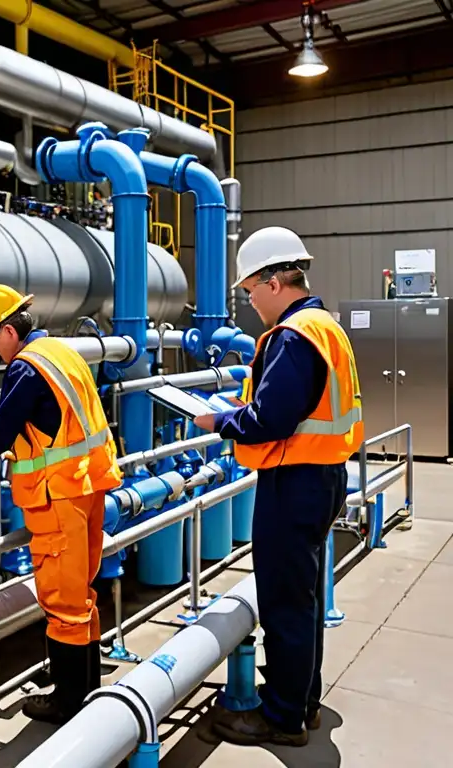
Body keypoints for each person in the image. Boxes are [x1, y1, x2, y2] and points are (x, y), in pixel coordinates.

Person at [193, 226, 363, 747]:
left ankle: (283, 716)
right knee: (304, 597)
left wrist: (221, 422)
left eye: (248, 291)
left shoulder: (293, 336)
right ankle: (302, 701)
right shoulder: (324, 325)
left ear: (272, 281)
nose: (248, 303)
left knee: (286, 602)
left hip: (294, 482)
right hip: (325, 475)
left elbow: (273, 418)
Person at [0, 284, 123, 725]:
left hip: (56, 496)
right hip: (87, 488)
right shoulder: (62, 352)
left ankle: (69, 702)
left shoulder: (26, 368)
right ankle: (86, 686)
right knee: (81, 592)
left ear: (7, 330)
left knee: (62, 600)